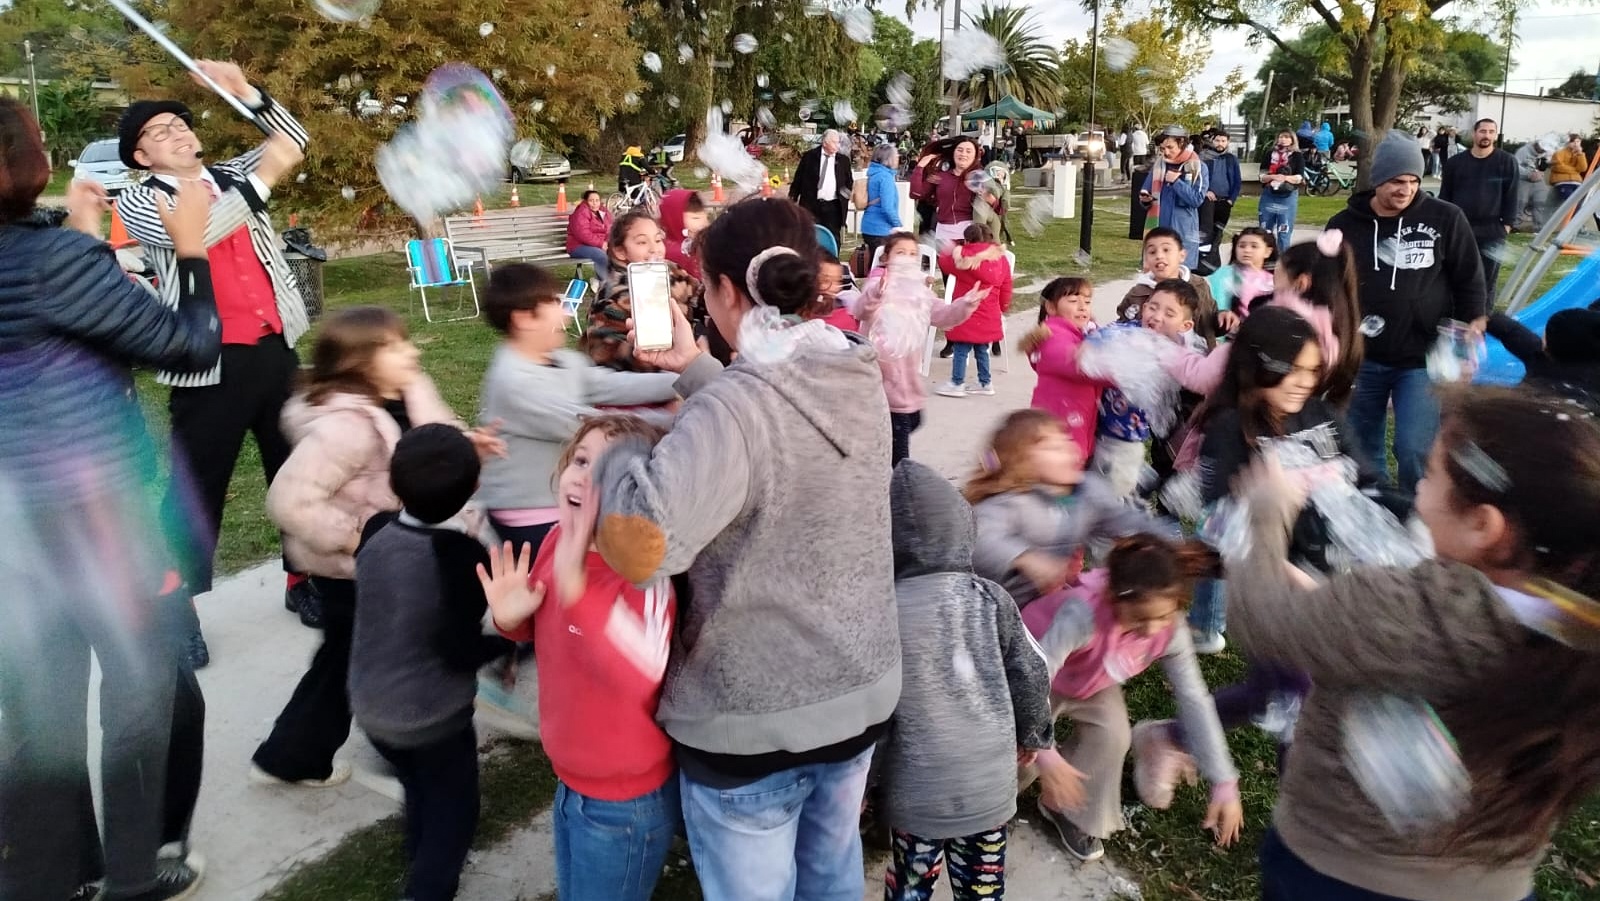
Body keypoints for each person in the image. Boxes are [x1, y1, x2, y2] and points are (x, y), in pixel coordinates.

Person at [586, 197, 900, 901]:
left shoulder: (734, 408)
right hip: (858, 688)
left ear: (726, 290)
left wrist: (610, 454)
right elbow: (782, 426)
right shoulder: (856, 368)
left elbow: (642, 546)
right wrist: (700, 370)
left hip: (757, 717)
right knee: (831, 867)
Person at [1226, 387, 1600, 901]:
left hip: (1342, 874)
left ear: (1482, 525)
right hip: (1496, 882)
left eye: (1429, 475)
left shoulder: (1419, 606)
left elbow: (1260, 619)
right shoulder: (1578, 629)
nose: (1418, 487)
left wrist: (1265, 512)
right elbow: (1402, 643)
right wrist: (1340, 613)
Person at [0, 96, 220, 901]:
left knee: (36, 707)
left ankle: (46, 878)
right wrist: (190, 251)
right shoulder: (57, 260)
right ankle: (131, 872)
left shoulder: (54, 254)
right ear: (26, 159)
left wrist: (80, 239)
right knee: (141, 689)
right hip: (95, 510)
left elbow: (42, 326)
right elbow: (186, 345)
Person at [115, 60, 314, 656]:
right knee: (194, 492)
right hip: (206, 365)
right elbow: (197, 234)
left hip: (275, 350)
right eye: (160, 132)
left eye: (180, 122)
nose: (177, 131)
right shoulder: (137, 201)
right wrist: (263, 183)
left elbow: (291, 143)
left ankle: (303, 580)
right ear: (142, 157)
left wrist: (248, 92)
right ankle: (177, 611)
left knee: (297, 472)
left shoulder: (229, 174)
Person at [251, 307, 499, 787]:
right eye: (396, 346)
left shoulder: (407, 395)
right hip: (352, 569)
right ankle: (324, 751)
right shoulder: (346, 428)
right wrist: (361, 541)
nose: (412, 351)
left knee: (348, 655)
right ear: (359, 362)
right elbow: (291, 500)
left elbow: (426, 449)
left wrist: (468, 450)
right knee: (362, 657)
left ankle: (294, 753)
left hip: (388, 556)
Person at [478, 414, 681, 901]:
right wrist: (511, 619)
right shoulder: (557, 542)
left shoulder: (645, 578)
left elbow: (640, 673)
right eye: (582, 459)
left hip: (625, 802)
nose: (583, 476)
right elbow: (553, 629)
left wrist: (574, 584)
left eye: (607, 471)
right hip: (573, 779)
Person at [350, 425, 514, 901]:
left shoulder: (378, 529)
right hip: (431, 717)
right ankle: (428, 887)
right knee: (454, 810)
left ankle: (420, 858)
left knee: (421, 791)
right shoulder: (460, 556)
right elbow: (458, 650)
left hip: (370, 704)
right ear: (476, 489)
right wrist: (511, 646)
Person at [880, 461, 1054, 901]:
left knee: (910, 883)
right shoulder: (992, 599)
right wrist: (1034, 732)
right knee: (982, 885)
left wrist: (864, 785)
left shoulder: (882, 612)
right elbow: (1031, 669)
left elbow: (874, 712)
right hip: (989, 787)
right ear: (963, 529)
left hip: (915, 791)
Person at [1020, 534, 1243, 862]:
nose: (1152, 630)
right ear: (1113, 598)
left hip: (1089, 679)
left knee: (1113, 735)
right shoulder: (1082, 615)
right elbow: (1029, 686)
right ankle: (991, 798)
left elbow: (1195, 699)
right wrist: (1046, 756)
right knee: (1019, 756)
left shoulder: (1171, 629)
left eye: (1162, 618)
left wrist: (1224, 779)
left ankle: (1068, 811)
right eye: (1140, 618)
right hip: (1030, 673)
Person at [1327, 129, 1487, 497]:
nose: (1406, 189)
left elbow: (1470, 278)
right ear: (1378, 179)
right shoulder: (1343, 225)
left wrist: (1472, 324)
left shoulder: (1445, 217)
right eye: (1397, 181)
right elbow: (1328, 285)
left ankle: (1422, 511)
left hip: (1422, 357)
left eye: (1414, 181)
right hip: (1362, 356)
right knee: (1361, 443)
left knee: (1414, 446)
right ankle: (1379, 507)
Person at [967, 410, 1170, 608]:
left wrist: (1170, 542)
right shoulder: (1008, 503)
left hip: (1034, 606)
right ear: (1020, 462)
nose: (1071, 450)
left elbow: (1126, 519)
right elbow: (979, 537)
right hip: (985, 608)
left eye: (1068, 441)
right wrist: (1025, 558)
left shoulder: (1086, 493)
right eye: (1055, 448)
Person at [844, 233, 983, 465]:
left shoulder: (919, 293)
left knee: (914, 420)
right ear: (886, 258)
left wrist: (966, 304)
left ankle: (874, 459)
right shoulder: (878, 286)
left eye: (913, 254)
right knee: (899, 458)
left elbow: (942, 314)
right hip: (881, 384)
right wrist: (877, 293)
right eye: (901, 253)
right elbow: (861, 310)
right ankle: (894, 490)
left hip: (908, 381)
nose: (908, 259)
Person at [1019, 277, 1105, 460]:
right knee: (1059, 473)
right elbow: (1085, 366)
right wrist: (1128, 370)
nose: (1083, 307)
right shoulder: (1053, 338)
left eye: (1087, 302)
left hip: (1074, 420)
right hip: (1060, 428)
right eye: (1073, 301)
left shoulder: (1082, 335)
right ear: (1051, 308)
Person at [1440, 118, 1519, 303]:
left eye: (1491, 132)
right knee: (1455, 275)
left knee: (1487, 281)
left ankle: (1483, 321)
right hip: (1460, 228)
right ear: (1474, 134)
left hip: (1492, 230)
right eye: (1483, 131)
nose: (1487, 135)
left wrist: (1506, 226)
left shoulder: (1506, 161)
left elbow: (1512, 195)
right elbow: (1445, 195)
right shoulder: (1455, 163)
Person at [935, 222, 1012, 398]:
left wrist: (955, 249)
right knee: (982, 349)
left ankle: (957, 382)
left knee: (961, 348)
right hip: (989, 312)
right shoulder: (1000, 258)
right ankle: (985, 383)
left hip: (966, 312)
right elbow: (1007, 284)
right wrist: (1003, 306)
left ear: (967, 240)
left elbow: (945, 262)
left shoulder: (963, 259)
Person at [1486, 306, 1600, 399]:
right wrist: (1489, 320)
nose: (1542, 337)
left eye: (1546, 334)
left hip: (1528, 411)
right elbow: (1517, 335)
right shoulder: (1547, 356)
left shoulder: (1543, 363)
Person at [1140, 124, 1209, 270]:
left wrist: (1177, 182)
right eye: (1162, 148)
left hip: (1183, 231)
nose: (1165, 152)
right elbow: (1146, 192)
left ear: (1182, 144)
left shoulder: (1198, 166)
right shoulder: (1159, 166)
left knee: (1181, 281)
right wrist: (1145, 200)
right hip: (1159, 229)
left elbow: (1197, 199)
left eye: (1170, 147)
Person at [911, 137, 1002, 243]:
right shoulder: (940, 176)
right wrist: (920, 166)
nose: (963, 154)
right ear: (953, 153)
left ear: (975, 155)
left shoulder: (980, 177)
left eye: (968, 151)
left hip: (971, 236)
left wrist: (992, 200)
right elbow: (916, 194)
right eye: (960, 150)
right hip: (943, 235)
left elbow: (1000, 210)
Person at [789, 128, 855, 246]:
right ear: (825, 142)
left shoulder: (843, 160)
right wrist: (792, 199)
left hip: (833, 206)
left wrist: (846, 196)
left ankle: (832, 260)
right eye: (835, 142)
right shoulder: (809, 157)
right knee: (809, 236)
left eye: (839, 142)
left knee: (833, 238)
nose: (838, 145)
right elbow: (798, 179)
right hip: (811, 204)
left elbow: (849, 181)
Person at [1206, 227, 1276, 319]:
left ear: (1267, 251)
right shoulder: (1222, 274)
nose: (1247, 250)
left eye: (1254, 246)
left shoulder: (1271, 281)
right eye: (1242, 246)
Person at [1199, 130, 1242, 272]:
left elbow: (1237, 181)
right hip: (1209, 200)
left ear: (1228, 142)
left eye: (1223, 141)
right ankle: (1205, 262)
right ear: (1212, 141)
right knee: (1207, 230)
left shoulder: (1231, 159)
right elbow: (1198, 178)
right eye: (1217, 140)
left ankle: (1214, 262)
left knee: (1219, 231)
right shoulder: (1204, 157)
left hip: (1225, 201)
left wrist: (1231, 200)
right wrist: (1206, 191)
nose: (1220, 143)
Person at [1259, 130, 1305, 252]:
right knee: (1264, 231)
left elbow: (1299, 177)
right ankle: (1264, 260)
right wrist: (1273, 177)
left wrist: (1284, 178)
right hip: (1269, 194)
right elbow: (1262, 176)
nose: (1283, 139)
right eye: (1281, 137)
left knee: (1284, 232)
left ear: (1292, 140)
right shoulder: (1269, 154)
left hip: (1287, 196)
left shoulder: (1297, 156)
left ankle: (1283, 262)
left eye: (1286, 137)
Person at [858, 143, 903, 264]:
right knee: (882, 265)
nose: (898, 159)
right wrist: (897, 224)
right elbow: (887, 207)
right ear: (888, 159)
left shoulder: (874, 174)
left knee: (874, 264)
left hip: (869, 226)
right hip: (881, 229)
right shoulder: (885, 178)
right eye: (896, 156)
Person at [565, 189, 612, 280]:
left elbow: (610, 229)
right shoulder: (581, 213)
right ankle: (606, 283)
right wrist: (601, 244)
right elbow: (583, 234)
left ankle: (618, 281)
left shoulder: (604, 212)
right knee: (600, 255)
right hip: (578, 247)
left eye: (597, 200)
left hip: (599, 245)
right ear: (585, 201)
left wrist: (608, 242)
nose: (595, 203)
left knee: (619, 253)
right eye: (591, 200)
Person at [1549, 132, 1589, 204]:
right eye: (1573, 142)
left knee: (1582, 202)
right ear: (1568, 143)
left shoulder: (1580, 154)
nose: (1576, 144)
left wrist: (1580, 154)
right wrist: (1575, 170)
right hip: (1562, 181)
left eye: (1578, 141)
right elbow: (1558, 167)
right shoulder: (1559, 152)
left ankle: (1576, 215)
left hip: (1577, 182)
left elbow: (1583, 168)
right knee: (1570, 201)